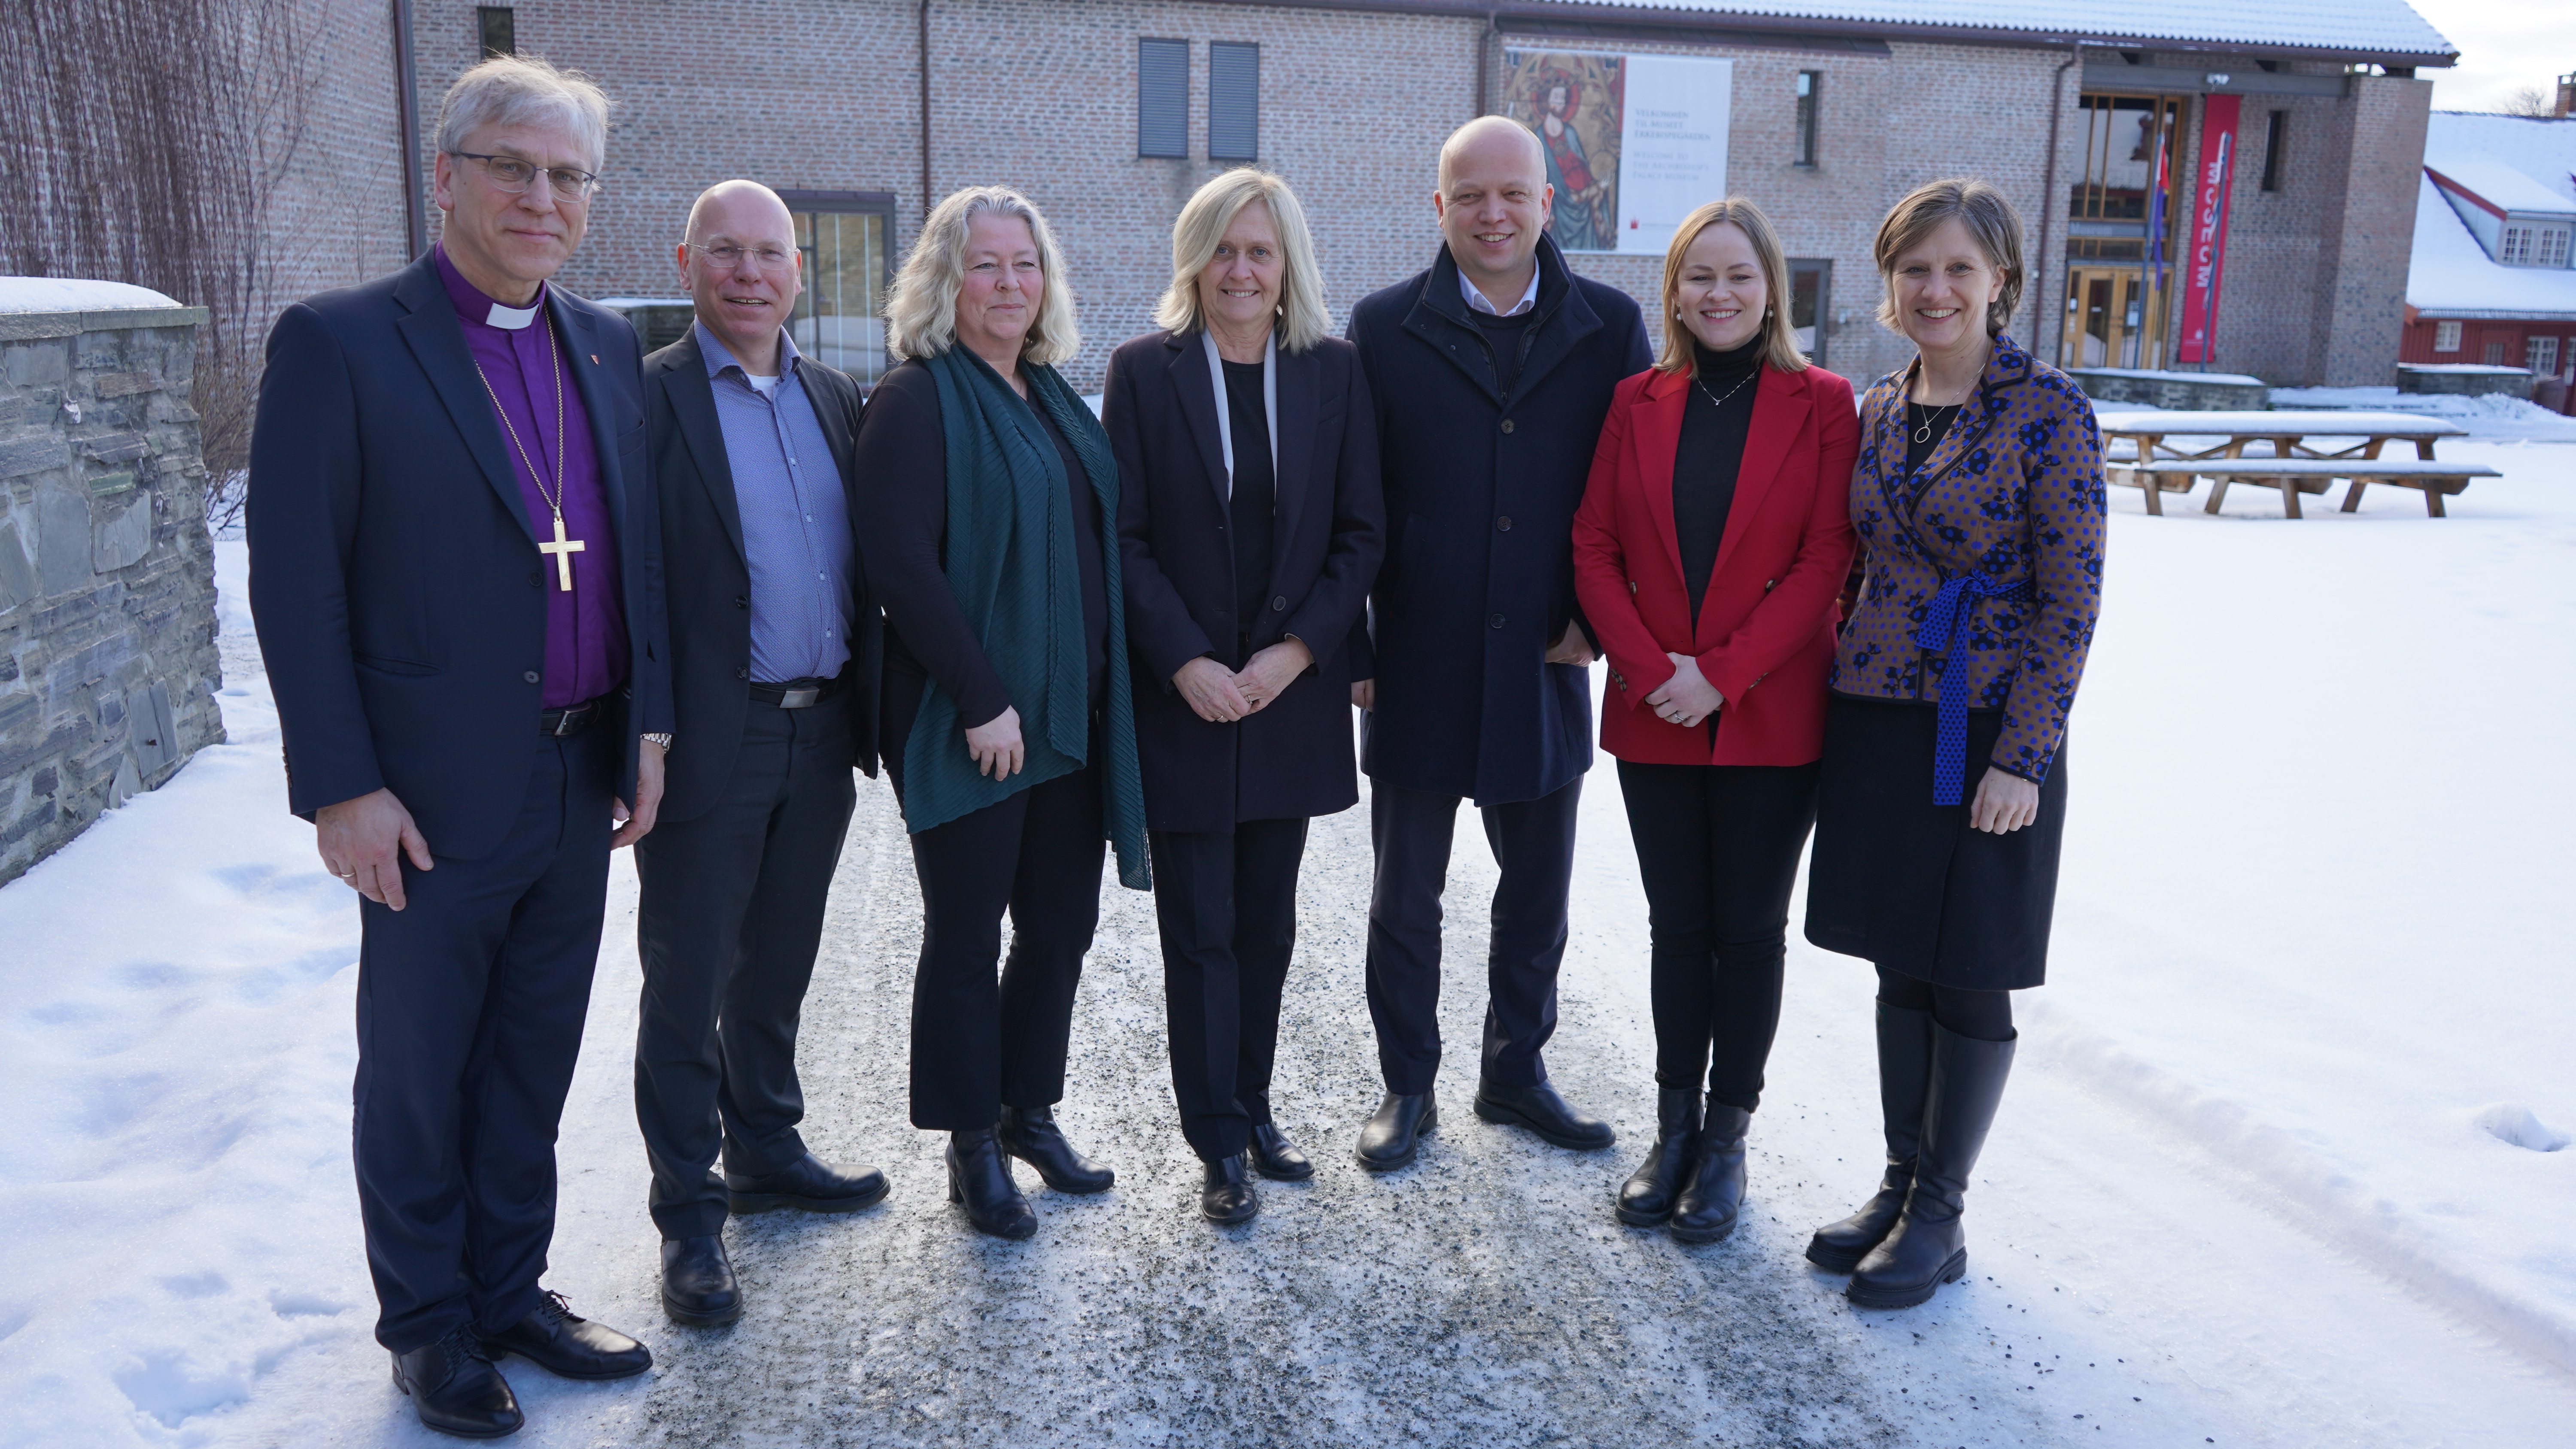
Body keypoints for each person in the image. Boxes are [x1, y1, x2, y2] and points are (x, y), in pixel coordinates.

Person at [246, 54, 668, 1439]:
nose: (543, 198)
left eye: (568, 176)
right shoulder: (343, 343)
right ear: (446, 177)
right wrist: (342, 787)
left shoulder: (605, 346)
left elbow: (638, 557)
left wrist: (648, 726)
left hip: (577, 769)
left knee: (533, 1055)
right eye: (513, 168)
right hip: (426, 791)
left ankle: (509, 1288)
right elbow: (296, 582)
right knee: (422, 1070)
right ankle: (429, 1325)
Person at [1802, 178, 2106, 1309]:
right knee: (1901, 957)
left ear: (2000, 281)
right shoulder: (1880, 406)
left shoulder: (2050, 410)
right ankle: (1899, 1180)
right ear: (1890, 281)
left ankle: (1941, 1212)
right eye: (1916, 268)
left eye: (1958, 269)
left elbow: (2072, 599)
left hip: (1986, 728)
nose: (1936, 289)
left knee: (1969, 966)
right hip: (1880, 715)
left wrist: (2024, 758)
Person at [1343, 115, 1651, 1172]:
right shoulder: (1384, 326)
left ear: (1546, 203)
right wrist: (1354, 645)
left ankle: (1515, 1068)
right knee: (1405, 898)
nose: (1493, 213)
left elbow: (1638, 495)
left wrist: (1601, 623)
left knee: (1537, 893)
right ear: (1440, 207)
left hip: (1546, 657)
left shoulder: (1609, 326)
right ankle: (1407, 1083)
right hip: (1418, 655)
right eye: (1470, 195)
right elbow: (1354, 498)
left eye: (1513, 193)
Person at [852, 185, 1150, 1240]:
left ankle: (1030, 1109)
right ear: (947, 279)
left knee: (1061, 926)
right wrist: (983, 699)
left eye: (1025, 264)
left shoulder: (1051, 394)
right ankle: (970, 1140)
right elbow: (900, 565)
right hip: (970, 724)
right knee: (968, 931)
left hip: (1068, 718)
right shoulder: (915, 399)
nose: (1008, 283)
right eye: (985, 264)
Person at [1571, 197, 1857, 1244]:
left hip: (1771, 713)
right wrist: (1658, 673)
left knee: (1748, 929)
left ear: (1772, 288)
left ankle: (1728, 1141)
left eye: (1739, 275)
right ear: (1675, 292)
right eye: (1700, 276)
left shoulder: (1824, 402)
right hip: (1657, 711)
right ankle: (1675, 1131)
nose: (1720, 293)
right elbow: (1594, 545)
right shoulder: (1634, 400)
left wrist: (1723, 676)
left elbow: (1827, 557)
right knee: (1678, 926)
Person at [1104, 170, 1385, 1225]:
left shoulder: (1333, 371)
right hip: (1184, 696)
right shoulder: (1144, 371)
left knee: (1268, 925)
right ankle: (1217, 1138)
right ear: (1195, 259)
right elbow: (1124, 535)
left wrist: (1296, 654)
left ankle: (1256, 1104)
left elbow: (1361, 531)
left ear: (1287, 264)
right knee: (1201, 931)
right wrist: (1184, 659)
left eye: (1260, 251)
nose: (1241, 269)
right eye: (1223, 248)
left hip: (1288, 697)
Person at [634, 179, 887, 1329]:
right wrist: (643, 733)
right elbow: (633, 588)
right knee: (689, 981)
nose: (749, 274)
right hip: (711, 737)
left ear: (797, 272)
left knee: (778, 963)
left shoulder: (837, 397)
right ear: (687, 261)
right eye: (725, 252)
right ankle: (690, 1215)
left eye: (769, 254)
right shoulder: (646, 400)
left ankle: (768, 1150)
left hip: (821, 728)